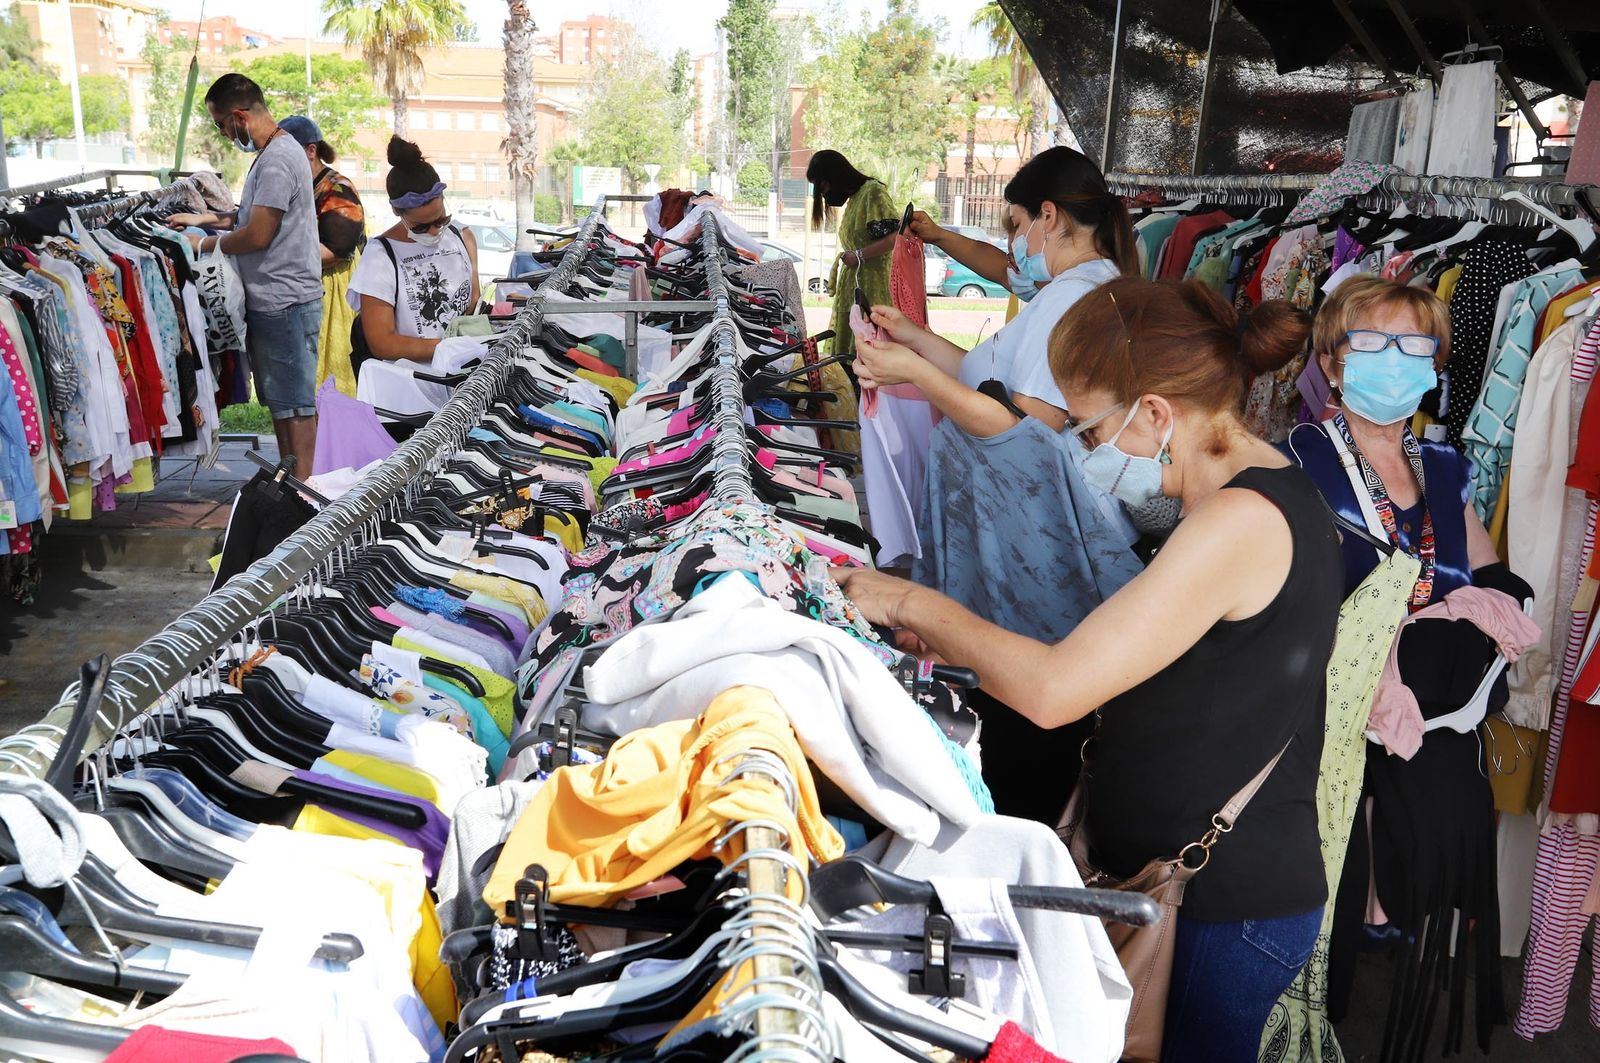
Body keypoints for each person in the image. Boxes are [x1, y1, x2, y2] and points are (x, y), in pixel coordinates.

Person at [835, 276, 1341, 1060]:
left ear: (1156, 413)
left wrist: (912, 603)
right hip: (1191, 896)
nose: (1080, 446)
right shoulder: (1240, 501)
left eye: (1087, 426)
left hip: (1222, 910)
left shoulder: (1243, 520)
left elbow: (1052, 689)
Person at [1281, 275, 1517, 1043]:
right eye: (1371, 341)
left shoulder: (1444, 468)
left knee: (1419, 886)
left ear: (1436, 362)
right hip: (1325, 726)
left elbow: (1488, 576)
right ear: (1333, 355)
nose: (1394, 358)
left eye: (1414, 344)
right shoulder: (1295, 460)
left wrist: (1478, 615)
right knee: (1327, 908)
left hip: (1432, 724)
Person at [854, 146, 1138, 434]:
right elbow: (987, 375)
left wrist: (915, 372)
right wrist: (917, 339)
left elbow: (1026, 431)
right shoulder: (1095, 281)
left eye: (1017, 225)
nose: (1013, 242)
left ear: (1048, 216)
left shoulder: (1069, 296)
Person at [168, 74, 323, 477]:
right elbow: (252, 215)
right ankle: (290, 480)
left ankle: (303, 491)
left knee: (296, 406)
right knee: (282, 405)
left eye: (221, 124)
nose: (223, 134)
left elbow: (258, 233)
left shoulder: (276, 159)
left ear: (239, 116)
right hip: (275, 300)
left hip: (285, 301)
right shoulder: (276, 152)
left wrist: (202, 244)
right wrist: (206, 219)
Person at [348, 136, 480, 373]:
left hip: (466, 372)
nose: (433, 231)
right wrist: (445, 347)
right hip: (413, 384)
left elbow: (472, 304)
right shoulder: (380, 257)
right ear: (398, 212)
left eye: (441, 220)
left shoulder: (462, 236)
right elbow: (382, 343)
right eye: (420, 226)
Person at [278, 115, 366, 397]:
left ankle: (332, 439)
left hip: (333, 294)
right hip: (305, 287)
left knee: (332, 382)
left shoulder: (338, 190)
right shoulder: (297, 186)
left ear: (311, 151)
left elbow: (336, 250)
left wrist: (277, 256)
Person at [807, 149, 898, 365]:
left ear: (835, 176)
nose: (823, 193)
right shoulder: (856, 198)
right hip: (853, 289)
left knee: (869, 360)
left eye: (823, 185)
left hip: (873, 291)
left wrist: (860, 256)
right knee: (848, 363)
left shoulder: (872, 193)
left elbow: (896, 236)